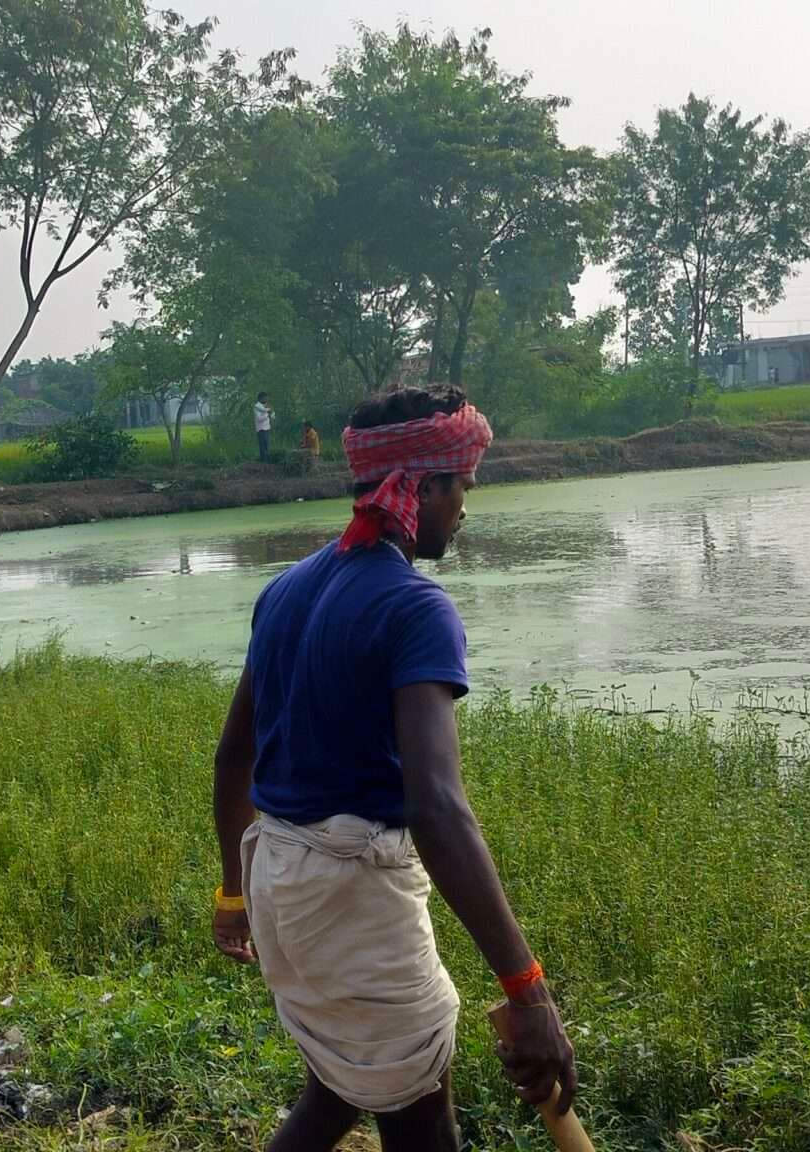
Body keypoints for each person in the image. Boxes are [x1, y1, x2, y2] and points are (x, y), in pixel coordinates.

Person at [209, 384, 572, 1151]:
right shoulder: (416, 608)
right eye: (463, 486)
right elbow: (437, 806)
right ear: (421, 487)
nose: (466, 507)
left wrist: (233, 893)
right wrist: (526, 988)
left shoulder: (286, 590)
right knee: (421, 1124)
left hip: (282, 882)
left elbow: (233, 753)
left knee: (338, 1094)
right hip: (349, 899)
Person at [254, 391, 274, 462]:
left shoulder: (266, 406)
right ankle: (264, 463)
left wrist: (271, 413)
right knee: (263, 448)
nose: (267, 399)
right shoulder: (257, 406)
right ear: (261, 398)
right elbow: (259, 419)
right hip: (261, 429)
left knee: (267, 447)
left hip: (267, 428)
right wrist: (267, 415)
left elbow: (272, 415)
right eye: (265, 398)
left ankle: (267, 462)